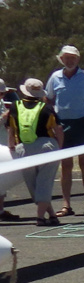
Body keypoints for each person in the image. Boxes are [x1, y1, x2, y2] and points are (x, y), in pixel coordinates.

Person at [45, 45, 84, 217]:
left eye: (73, 58)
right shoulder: (55, 77)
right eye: (66, 58)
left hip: (82, 123)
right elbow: (48, 99)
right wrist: (53, 120)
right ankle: (66, 205)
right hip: (63, 124)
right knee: (66, 164)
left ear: (78, 60)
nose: (70, 61)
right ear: (61, 59)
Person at [5, 78, 63, 226]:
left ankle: (51, 215)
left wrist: (11, 146)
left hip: (23, 148)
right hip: (46, 146)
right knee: (45, 182)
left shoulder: (14, 106)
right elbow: (58, 129)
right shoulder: (47, 108)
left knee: (33, 185)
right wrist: (60, 148)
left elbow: (11, 130)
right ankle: (40, 217)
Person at [0, 79, 24, 223]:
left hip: (3, 144)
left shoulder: (1, 103)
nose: (2, 96)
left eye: (3, 93)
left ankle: (1, 210)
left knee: (3, 181)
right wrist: (5, 116)